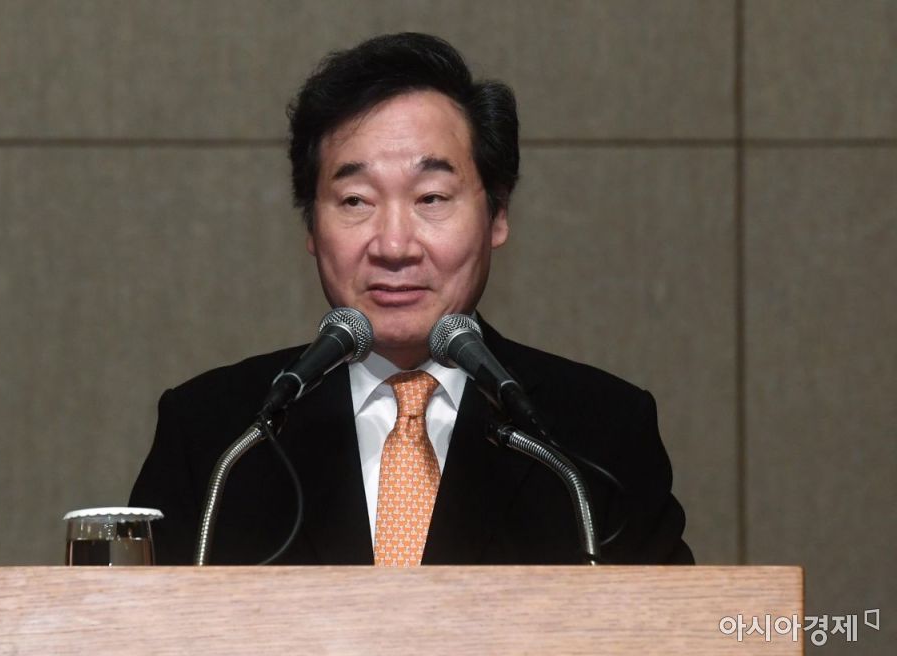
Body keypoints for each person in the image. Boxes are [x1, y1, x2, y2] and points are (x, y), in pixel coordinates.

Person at [130, 32, 693, 566]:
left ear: (497, 214)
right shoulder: (217, 437)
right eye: (356, 200)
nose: (394, 246)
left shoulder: (600, 435)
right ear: (311, 226)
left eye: (431, 198)